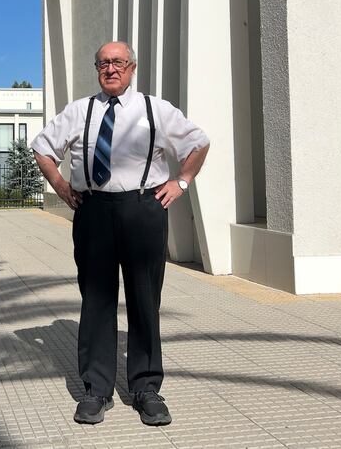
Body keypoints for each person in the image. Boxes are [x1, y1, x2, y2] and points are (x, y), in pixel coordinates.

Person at [31, 41, 209, 426]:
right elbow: (43, 148)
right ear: (97, 68)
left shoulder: (154, 109)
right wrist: (61, 186)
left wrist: (182, 181)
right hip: (93, 210)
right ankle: (96, 390)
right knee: (96, 300)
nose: (110, 69)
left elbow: (198, 143)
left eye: (118, 62)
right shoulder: (80, 111)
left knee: (145, 299)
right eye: (103, 63)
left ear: (132, 67)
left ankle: (146, 389)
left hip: (144, 208)